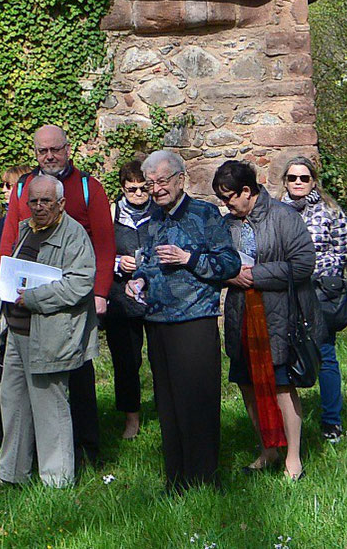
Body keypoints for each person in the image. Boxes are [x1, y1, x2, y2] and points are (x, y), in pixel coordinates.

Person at [0, 124, 116, 468]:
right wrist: (5, 284)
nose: (49, 156)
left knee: (76, 383)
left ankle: (86, 452)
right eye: (42, 151)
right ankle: (28, 464)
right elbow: (10, 240)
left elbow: (105, 243)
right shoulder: (24, 188)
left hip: (71, 300)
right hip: (25, 310)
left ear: (67, 149)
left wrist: (100, 292)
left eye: (55, 150)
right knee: (27, 394)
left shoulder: (89, 188)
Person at [123, 148, 241, 492]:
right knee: (169, 404)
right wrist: (139, 280)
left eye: (161, 181)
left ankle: (203, 480)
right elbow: (149, 263)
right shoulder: (154, 218)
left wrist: (189, 258)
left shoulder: (205, 215)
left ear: (180, 180)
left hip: (194, 320)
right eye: (150, 183)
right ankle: (175, 479)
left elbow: (229, 265)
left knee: (198, 403)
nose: (156, 189)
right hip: (158, 321)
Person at [215, 159, 318, 481]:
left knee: (282, 387)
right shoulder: (227, 224)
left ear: (248, 191)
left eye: (230, 197)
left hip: (279, 316)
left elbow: (303, 266)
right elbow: (216, 263)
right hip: (239, 316)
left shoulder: (284, 218)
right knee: (247, 383)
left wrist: (255, 275)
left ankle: (293, 459)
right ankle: (267, 449)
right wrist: (230, 276)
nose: (226, 204)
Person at [0, 172, 98, 487]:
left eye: (46, 201)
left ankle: (57, 480)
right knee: (13, 404)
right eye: (34, 201)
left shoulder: (74, 234)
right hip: (17, 331)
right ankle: (12, 474)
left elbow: (80, 282)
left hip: (51, 333)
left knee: (50, 407)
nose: (39, 207)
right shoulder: (25, 230)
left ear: (61, 203)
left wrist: (36, 298)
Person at [278, 154, 347, 441]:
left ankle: (331, 420)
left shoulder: (331, 212)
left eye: (304, 178)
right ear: (285, 181)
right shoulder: (274, 211)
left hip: (318, 292)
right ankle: (286, 423)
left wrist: (304, 269)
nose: (298, 182)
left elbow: (340, 253)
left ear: (313, 181)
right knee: (284, 356)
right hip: (282, 292)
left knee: (325, 355)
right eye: (293, 178)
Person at [108, 160, 153, 441]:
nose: (137, 195)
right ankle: (131, 418)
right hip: (121, 297)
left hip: (156, 295)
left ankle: (169, 410)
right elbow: (99, 249)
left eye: (142, 189)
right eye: (131, 190)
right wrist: (117, 263)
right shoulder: (111, 213)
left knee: (162, 359)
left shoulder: (160, 211)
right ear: (122, 189)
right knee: (126, 360)